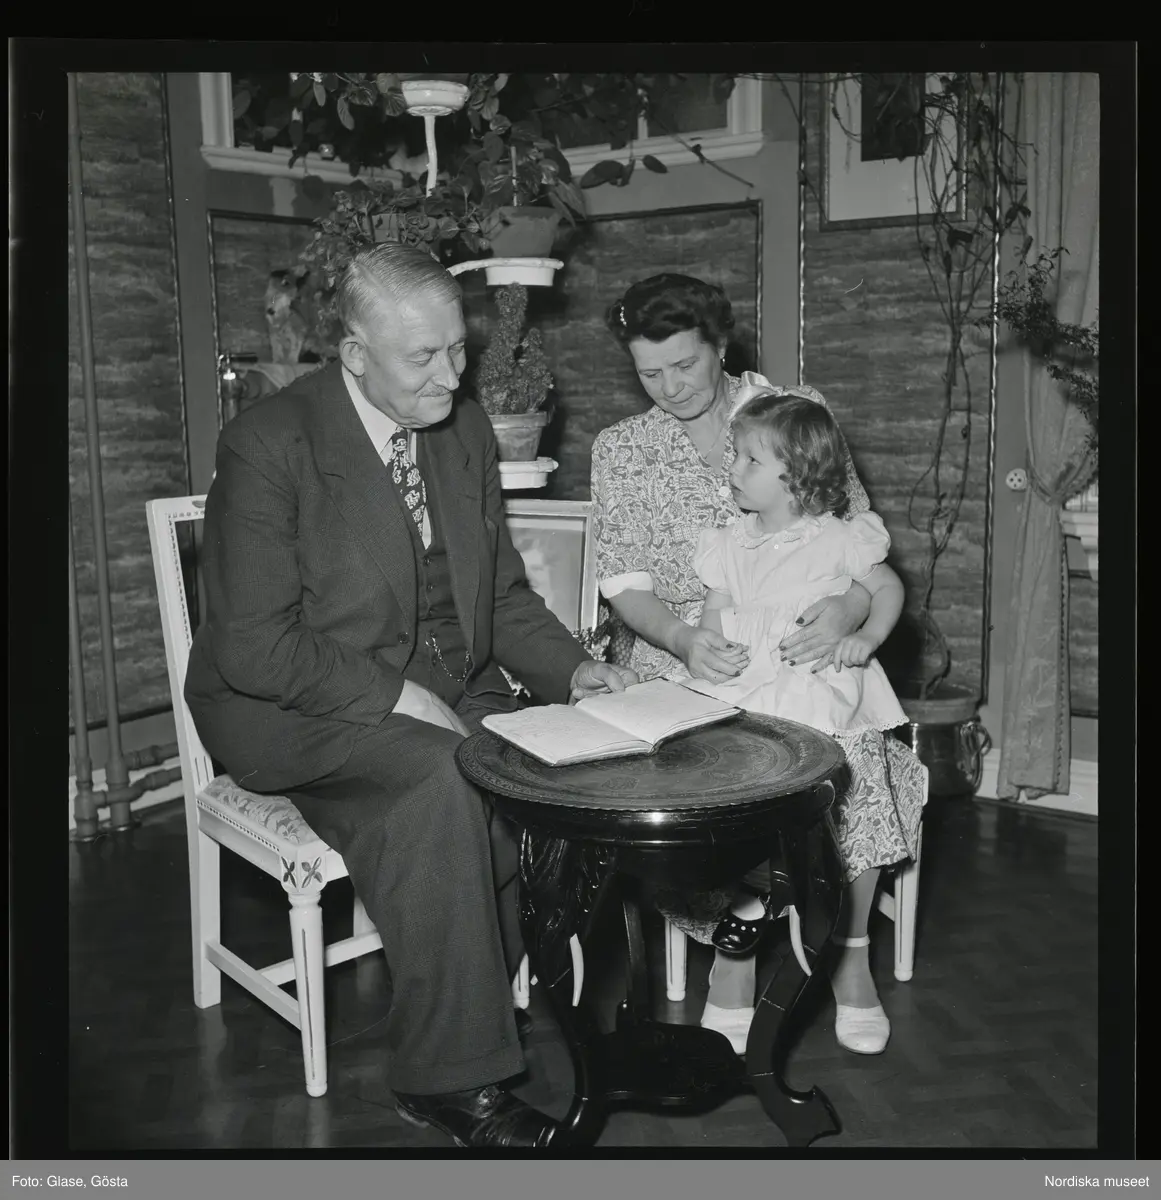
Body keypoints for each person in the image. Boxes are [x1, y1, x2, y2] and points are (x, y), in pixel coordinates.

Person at [185, 243, 636, 1148]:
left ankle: (499, 997)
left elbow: (498, 594)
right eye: (422, 357)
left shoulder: (460, 429)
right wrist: (395, 695)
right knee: (445, 781)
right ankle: (448, 1081)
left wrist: (574, 671)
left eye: (458, 348)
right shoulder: (270, 442)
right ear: (355, 354)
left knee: (571, 772)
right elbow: (253, 645)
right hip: (297, 705)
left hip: (445, 683)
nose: (452, 376)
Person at [589, 273, 919, 1056]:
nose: (669, 387)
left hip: (810, 651)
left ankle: (848, 953)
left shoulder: (790, 413)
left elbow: (853, 537)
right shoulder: (622, 449)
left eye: (684, 365)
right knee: (714, 779)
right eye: (648, 372)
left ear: (721, 346)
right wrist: (685, 640)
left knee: (854, 772)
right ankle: (733, 955)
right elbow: (625, 584)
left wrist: (847, 611)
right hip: (689, 652)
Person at [683, 389, 925, 1055]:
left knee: (854, 807)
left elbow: (887, 588)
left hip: (824, 701)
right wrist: (710, 644)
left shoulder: (839, 538)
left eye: (749, 460)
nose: (733, 469)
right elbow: (713, 613)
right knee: (732, 817)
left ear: (795, 475)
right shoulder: (729, 543)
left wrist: (866, 636)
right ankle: (734, 959)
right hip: (749, 701)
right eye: (735, 456)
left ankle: (851, 954)